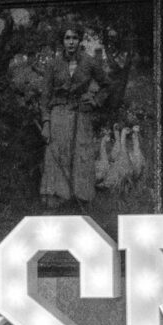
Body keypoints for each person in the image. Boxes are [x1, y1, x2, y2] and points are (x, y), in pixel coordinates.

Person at [38, 26, 111, 210]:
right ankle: (57, 199)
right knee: (56, 154)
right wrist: (46, 123)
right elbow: (45, 96)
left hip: (81, 114)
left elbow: (107, 85)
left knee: (82, 154)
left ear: (80, 40)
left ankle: (81, 199)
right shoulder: (53, 64)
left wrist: (95, 101)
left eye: (75, 38)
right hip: (59, 116)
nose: (71, 42)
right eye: (67, 38)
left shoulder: (90, 62)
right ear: (62, 41)